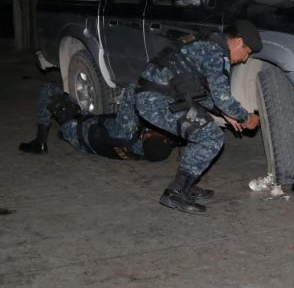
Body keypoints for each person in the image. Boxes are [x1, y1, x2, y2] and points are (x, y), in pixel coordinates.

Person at [136, 19, 262, 214]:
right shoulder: (217, 54)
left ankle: (187, 184)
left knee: (203, 128)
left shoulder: (208, 43)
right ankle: (175, 191)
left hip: (158, 95)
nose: (245, 59)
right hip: (156, 99)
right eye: (247, 52)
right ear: (238, 42)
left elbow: (197, 89)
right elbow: (222, 97)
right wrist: (247, 118)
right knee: (211, 136)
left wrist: (223, 113)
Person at [19, 83, 174, 162]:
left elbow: (131, 92)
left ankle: (39, 142)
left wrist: (155, 87)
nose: (162, 132)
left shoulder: (128, 130)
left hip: (77, 128)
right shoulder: (143, 151)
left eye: (160, 135)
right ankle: (64, 133)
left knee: (49, 89)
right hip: (87, 139)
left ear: (148, 137)